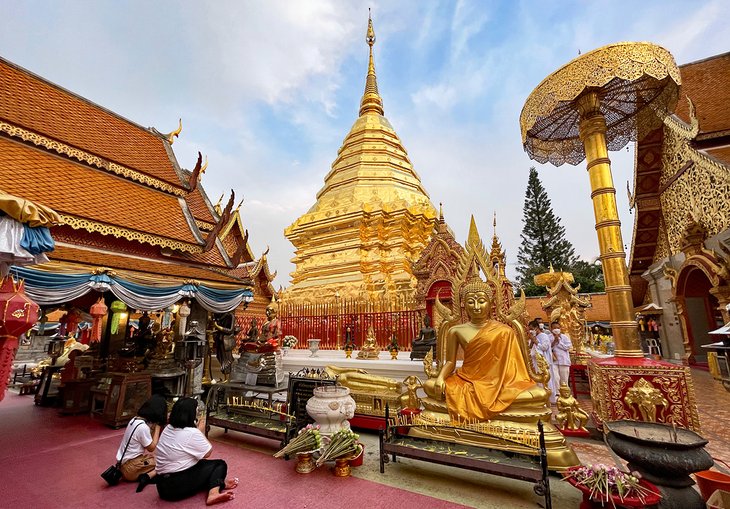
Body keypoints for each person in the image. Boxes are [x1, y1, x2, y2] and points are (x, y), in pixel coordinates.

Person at [423, 280, 545, 421]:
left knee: (538, 395)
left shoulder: (505, 331)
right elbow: (450, 362)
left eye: (481, 301)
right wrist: (440, 378)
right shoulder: (455, 330)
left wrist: (503, 384)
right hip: (466, 380)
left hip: (500, 383)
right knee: (429, 386)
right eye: (470, 302)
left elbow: (514, 367)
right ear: (463, 304)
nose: (476, 307)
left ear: (491, 302)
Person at [155, 398, 238, 505]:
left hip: (161, 486)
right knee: (219, 464)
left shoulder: (168, 428)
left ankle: (219, 483)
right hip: (175, 487)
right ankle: (213, 493)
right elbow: (207, 453)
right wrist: (201, 430)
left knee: (200, 464)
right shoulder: (192, 433)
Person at [115, 394, 167, 492]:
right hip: (131, 467)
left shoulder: (134, 420)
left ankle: (146, 475)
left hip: (123, 465)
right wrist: (158, 427)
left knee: (154, 458)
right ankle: (147, 476)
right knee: (164, 462)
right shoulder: (143, 427)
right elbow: (151, 448)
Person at [550, 320, 573, 387]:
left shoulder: (565, 337)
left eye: (558, 328)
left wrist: (559, 341)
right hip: (553, 361)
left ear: (560, 328)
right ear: (551, 329)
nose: (556, 329)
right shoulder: (549, 337)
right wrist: (554, 341)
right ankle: (557, 393)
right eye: (554, 328)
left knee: (564, 380)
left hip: (564, 361)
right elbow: (547, 348)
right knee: (555, 378)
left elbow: (567, 347)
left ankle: (565, 394)